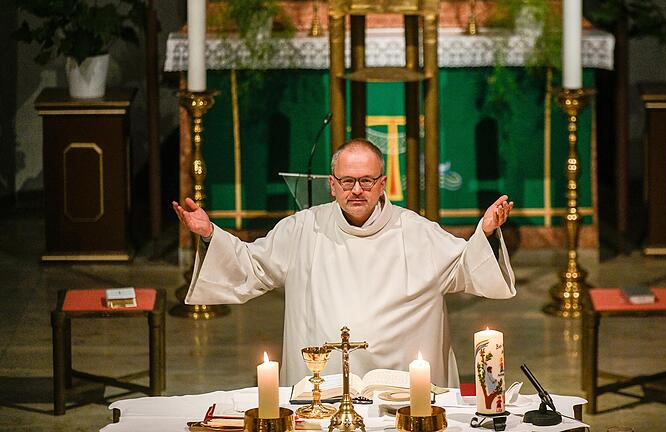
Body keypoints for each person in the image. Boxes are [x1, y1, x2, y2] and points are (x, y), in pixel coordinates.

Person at [173, 138, 516, 387]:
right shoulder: (302, 229)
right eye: (348, 181)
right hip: (321, 391)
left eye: (366, 181)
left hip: (402, 394)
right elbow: (251, 266)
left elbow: (466, 268)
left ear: (382, 185)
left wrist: (484, 232)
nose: (357, 190)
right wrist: (209, 235)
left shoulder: (417, 231)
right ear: (333, 185)